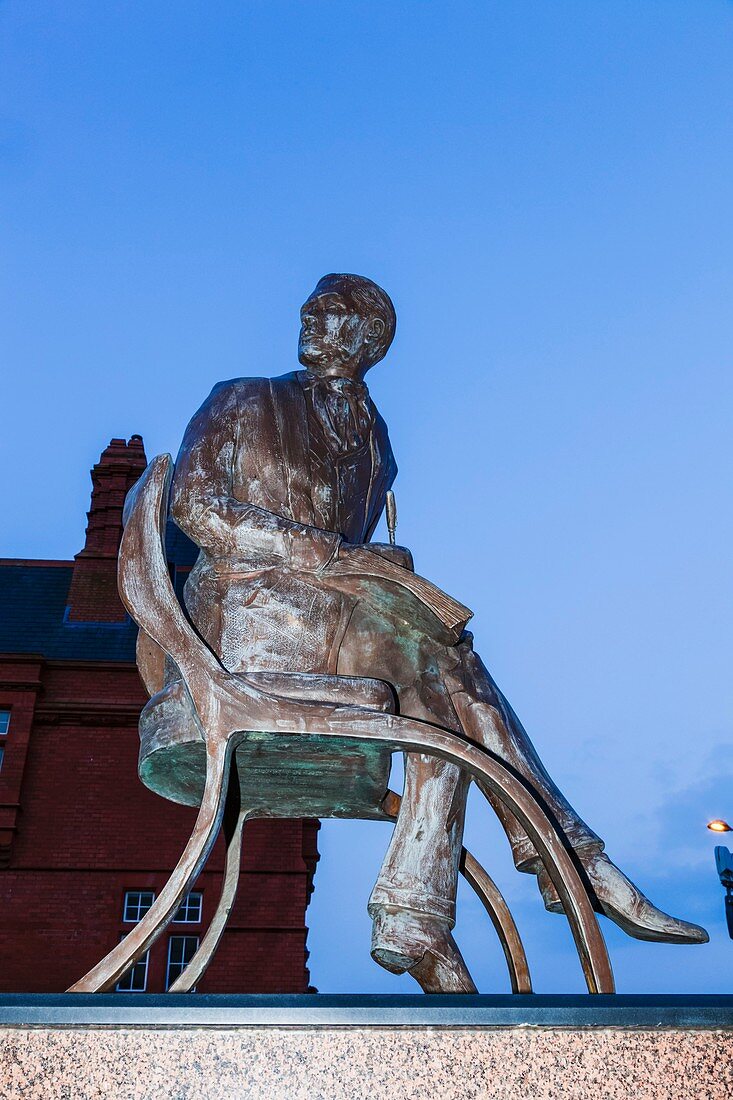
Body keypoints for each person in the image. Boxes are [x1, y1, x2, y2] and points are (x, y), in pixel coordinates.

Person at [170, 273, 707, 992]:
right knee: (443, 667)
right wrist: (338, 555)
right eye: (311, 309)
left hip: (338, 628)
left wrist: (375, 565)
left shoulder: (377, 445)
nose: (311, 319)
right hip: (246, 627)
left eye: (332, 314)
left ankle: (426, 916)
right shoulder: (243, 397)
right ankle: (561, 861)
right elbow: (195, 506)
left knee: (441, 689)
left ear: (370, 339)